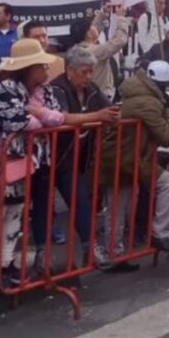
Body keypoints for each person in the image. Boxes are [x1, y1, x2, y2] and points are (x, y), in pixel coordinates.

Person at [0, 39, 62, 291]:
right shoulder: (6, 88)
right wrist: (41, 115)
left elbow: (56, 117)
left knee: (16, 213)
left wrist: (35, 111)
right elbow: (20, 123)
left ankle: (7, 263)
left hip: (25, 160)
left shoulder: (44, 90)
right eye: (42, 67)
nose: (47, 71)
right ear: (28, 67)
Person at [49, 46, 133, 271]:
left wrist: (115, 114)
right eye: (84, 72)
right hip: (51, 157)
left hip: (77, 157)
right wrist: (97, 116)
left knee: (81, 201)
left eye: (90, 72)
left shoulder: (92, 88)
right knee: (45, 207)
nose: (88, 77)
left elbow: (107, 108)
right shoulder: (57, 88)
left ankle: (89, 249)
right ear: (70, 70)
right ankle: (42, 258)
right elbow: (62, 118)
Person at [99, 60, 169, 256]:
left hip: (120, 155)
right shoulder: (149, 102)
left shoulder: (136, 93)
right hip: (129, 158)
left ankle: (114, 252)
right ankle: (160, 233)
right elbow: (166, 137)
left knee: (117, 206)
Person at [69, 3, 130, 101]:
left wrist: (103, 14)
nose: (94, 27)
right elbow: (119, 41)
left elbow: (94, 28)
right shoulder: (93, 51)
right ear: (88, 34)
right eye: (91, 27)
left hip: (93, 96)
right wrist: (121, 18)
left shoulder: (79, 49)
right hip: (100, 98)